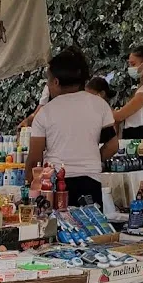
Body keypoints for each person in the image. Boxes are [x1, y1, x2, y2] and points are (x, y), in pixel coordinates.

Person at [25, 47, 119, 208]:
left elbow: (35, 158)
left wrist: (29, 185)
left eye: (48, 81)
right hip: (91, 183)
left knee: (59, 224)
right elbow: (112, 145)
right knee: (92, 223)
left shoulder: (45, 112)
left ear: (56, 82)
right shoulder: (99, 105)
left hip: (56, 184)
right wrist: (92, 160)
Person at [113, 41, 143, 139]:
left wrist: (103, 108)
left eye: (133, 64)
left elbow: (119, 116)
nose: (130, 68)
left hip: (139, 138)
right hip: (139, 136)